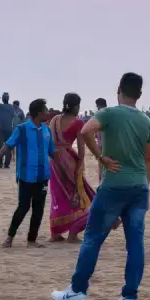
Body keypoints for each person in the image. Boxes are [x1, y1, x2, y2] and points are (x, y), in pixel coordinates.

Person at [51, 72, 150, 300]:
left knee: (92, 238)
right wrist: (145, 187)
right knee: (135, 243)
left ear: (118, 90)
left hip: (113, 186)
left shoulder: (108, 113)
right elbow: (148, 160)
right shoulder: (147, 121)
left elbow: (86, 131)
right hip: (139, 187)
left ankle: (78, 290)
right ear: (139, 94)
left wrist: (101, 158)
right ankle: (130, 296)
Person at [0, 99, 57, 248]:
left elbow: (53, 153)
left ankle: (32, 240)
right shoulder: (22, 129)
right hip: (26, 176)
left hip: (43, 176)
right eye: (45, 110)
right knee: (23, 207)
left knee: (38, 209)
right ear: (39, 113)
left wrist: (65, 169)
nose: (47, 113)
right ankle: (10, 237)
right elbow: (7, 146)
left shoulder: (46, 131)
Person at [47, 93, 96, 243]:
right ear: (75, 106)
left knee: (58, 197)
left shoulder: (54, 120)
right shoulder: (78, 123)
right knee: (79, 195)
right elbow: (81, 151)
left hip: (53, 161)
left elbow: (49, 141)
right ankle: (73, 233)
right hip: (69, 162)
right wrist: (79, 167)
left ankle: (55, 233)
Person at [0, 92, 16, 169]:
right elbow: (12, 117)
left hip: (1, 129)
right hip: (8, 129)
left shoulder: (0, 106)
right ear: (8, 99)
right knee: (8, 147)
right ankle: (7, 164)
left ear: (3, 98)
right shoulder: (11, 107)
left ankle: (0, 164)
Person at [93, 97, 108, 182]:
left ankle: (102, 182)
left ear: (98, 105)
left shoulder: (98, 115)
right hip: (110, 144)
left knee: (101, 166)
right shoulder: (110, 114)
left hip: (101, 145)